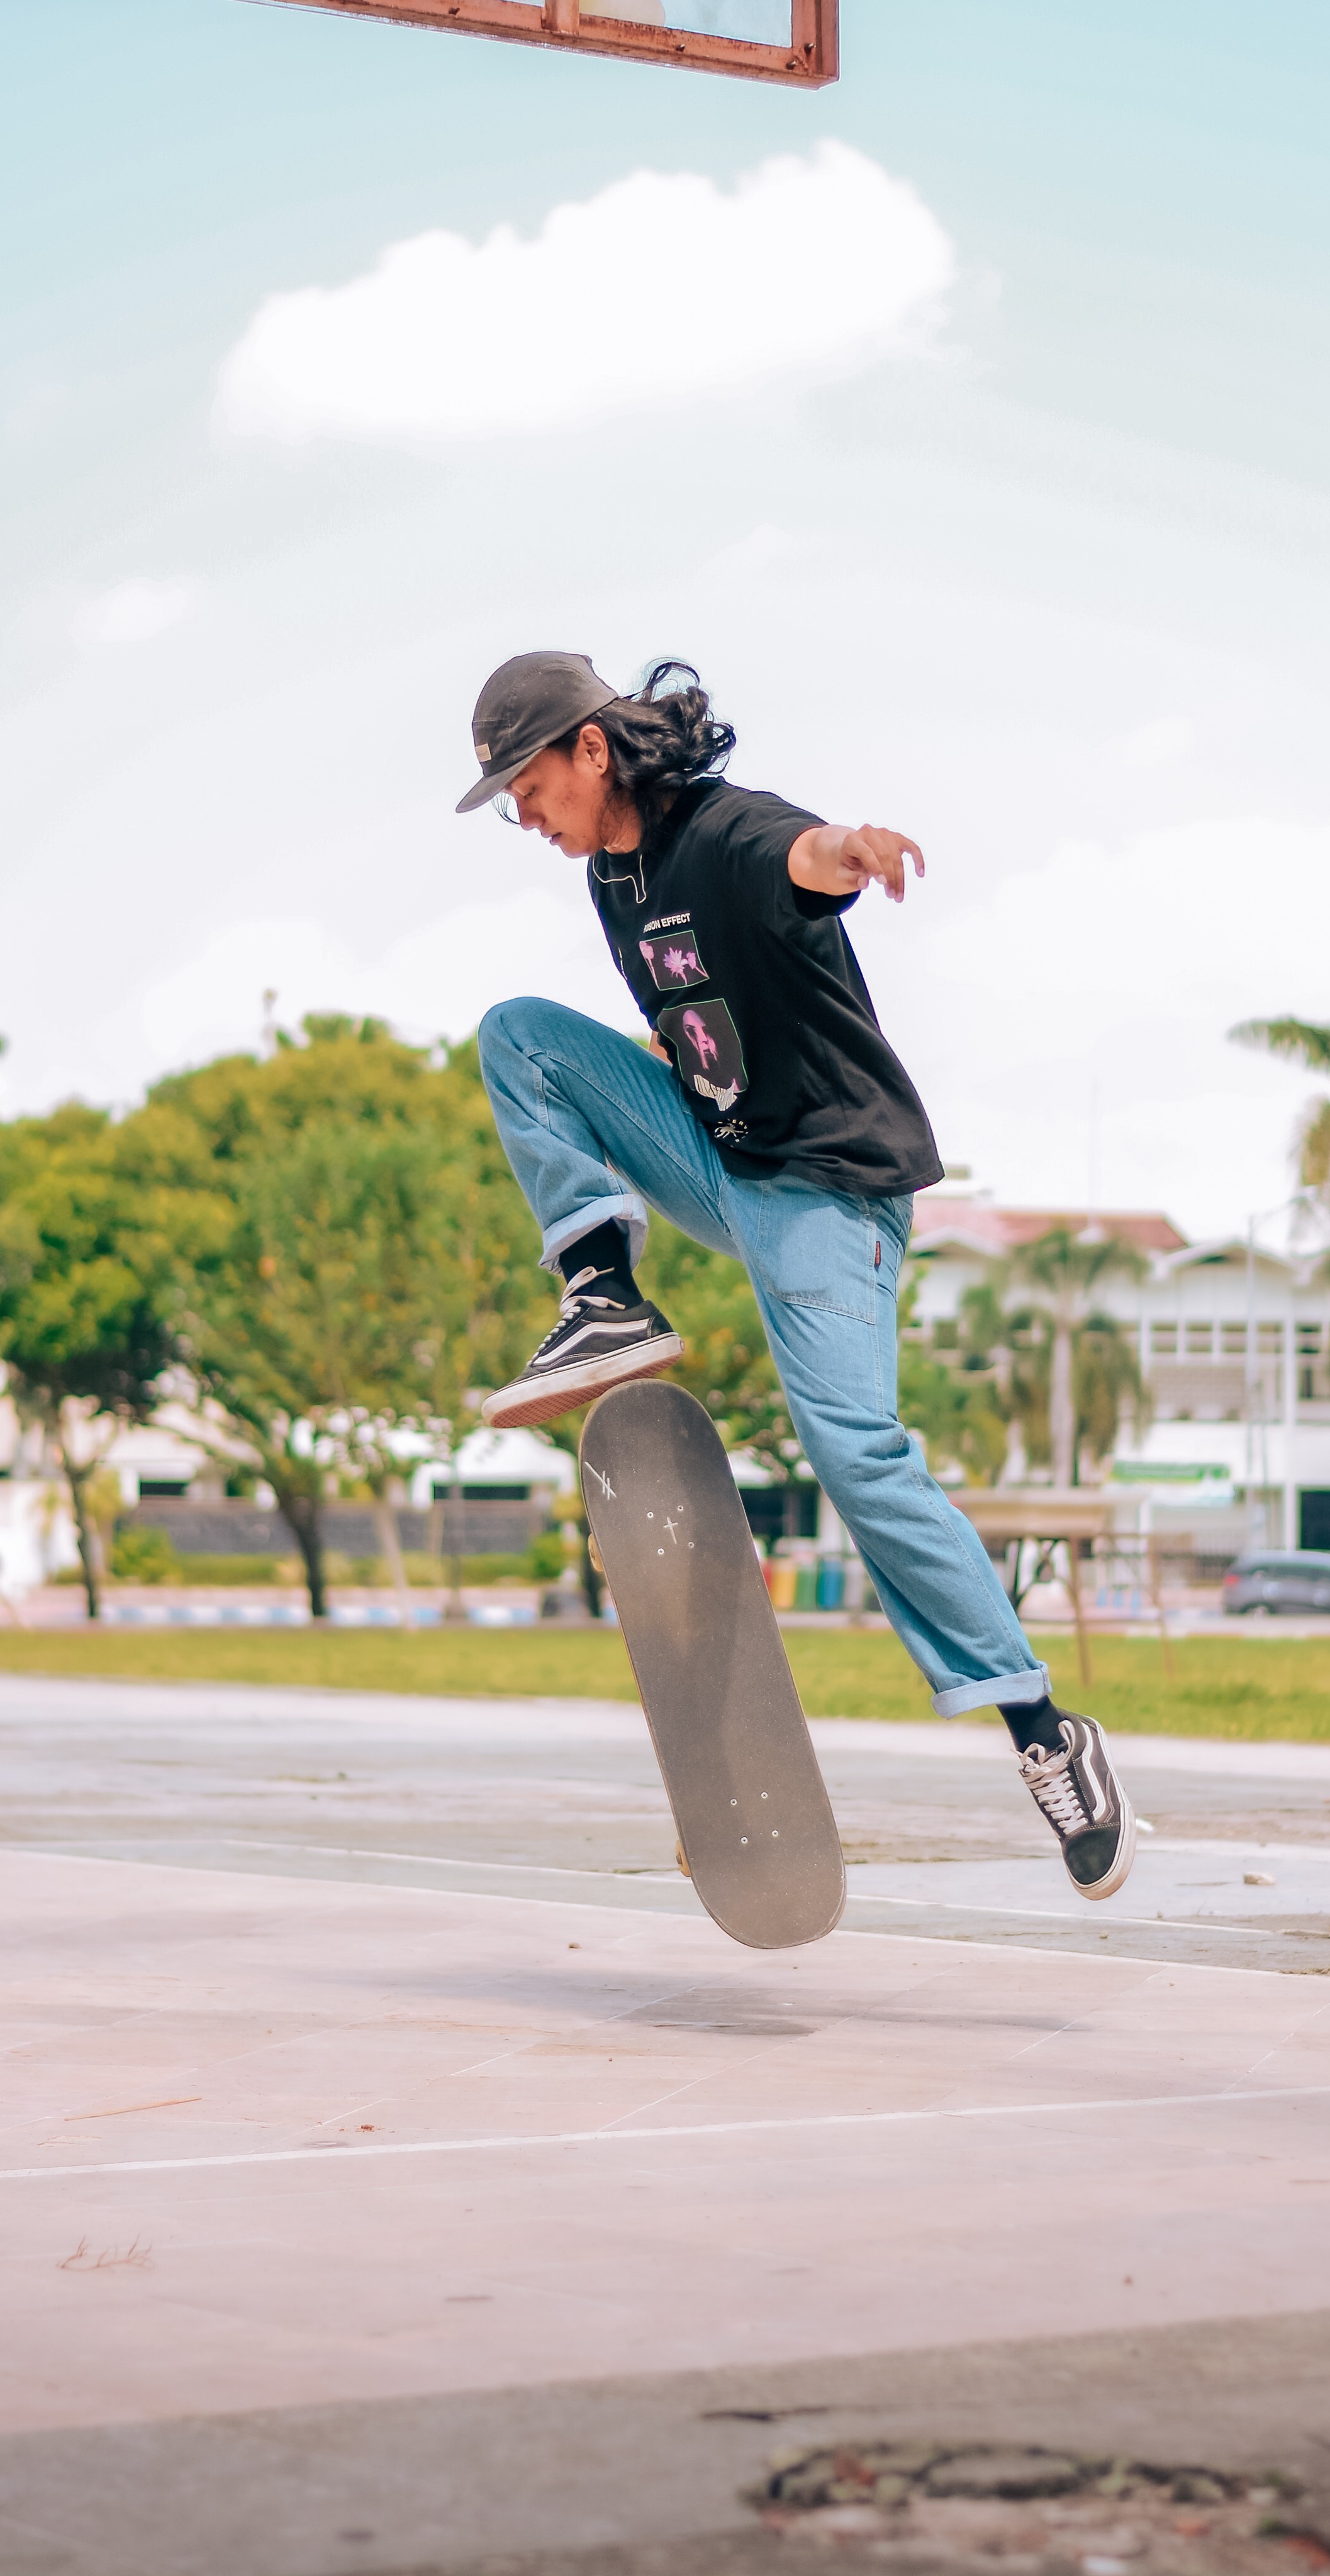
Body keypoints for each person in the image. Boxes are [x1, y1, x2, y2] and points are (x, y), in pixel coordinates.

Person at [459, 649, 1136, 1903]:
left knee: (857, 1452)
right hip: (723, 1164)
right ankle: (605, 1292)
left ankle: (1043, 1732)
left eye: (529, 784)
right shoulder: (614, 872)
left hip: (831, 1197)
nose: (525, 816)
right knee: (519, 1038)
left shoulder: (722, 835)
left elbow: (796, 857)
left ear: (591, 751)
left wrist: (851, 852)